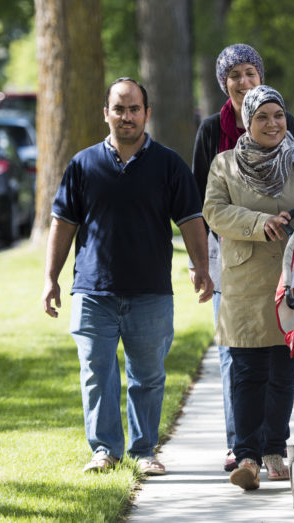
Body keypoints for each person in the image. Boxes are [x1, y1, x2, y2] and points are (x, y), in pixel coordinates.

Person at [43, 77, 214, 476]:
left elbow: (191, 220)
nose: (126, 116)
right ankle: (105, 450)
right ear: (106, 114)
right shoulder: (82, 165)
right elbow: (62, 223)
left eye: (134, 108)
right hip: (92, 289)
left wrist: (201, 267)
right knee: (96, 375)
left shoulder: (168, 164)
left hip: (150, 292)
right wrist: (50, 278)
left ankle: (143, 451)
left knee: (147, 377)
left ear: (146, 113)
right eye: (118, 109)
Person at [203, 85, 294, 490]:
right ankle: (245, 455)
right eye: (262, 116)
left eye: (278, 115)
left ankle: (274, 450)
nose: (273, 123)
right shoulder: (224, 164)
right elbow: (214, 211)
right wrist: (257, 223)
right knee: (246, 371)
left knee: (284, 370)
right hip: (246, 279)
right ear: (247, 120)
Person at [190, 44, 294, 472]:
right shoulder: (213, 137)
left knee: (282, 360)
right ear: (225, 83)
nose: (243, 81)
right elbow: (204, 203)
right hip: (232, 258)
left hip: (285, 260)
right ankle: (242, 448)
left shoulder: (285, 124)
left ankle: (270, 445)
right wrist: (199, 264)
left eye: (250, 72)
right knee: (237, 357)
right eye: (234, 75)